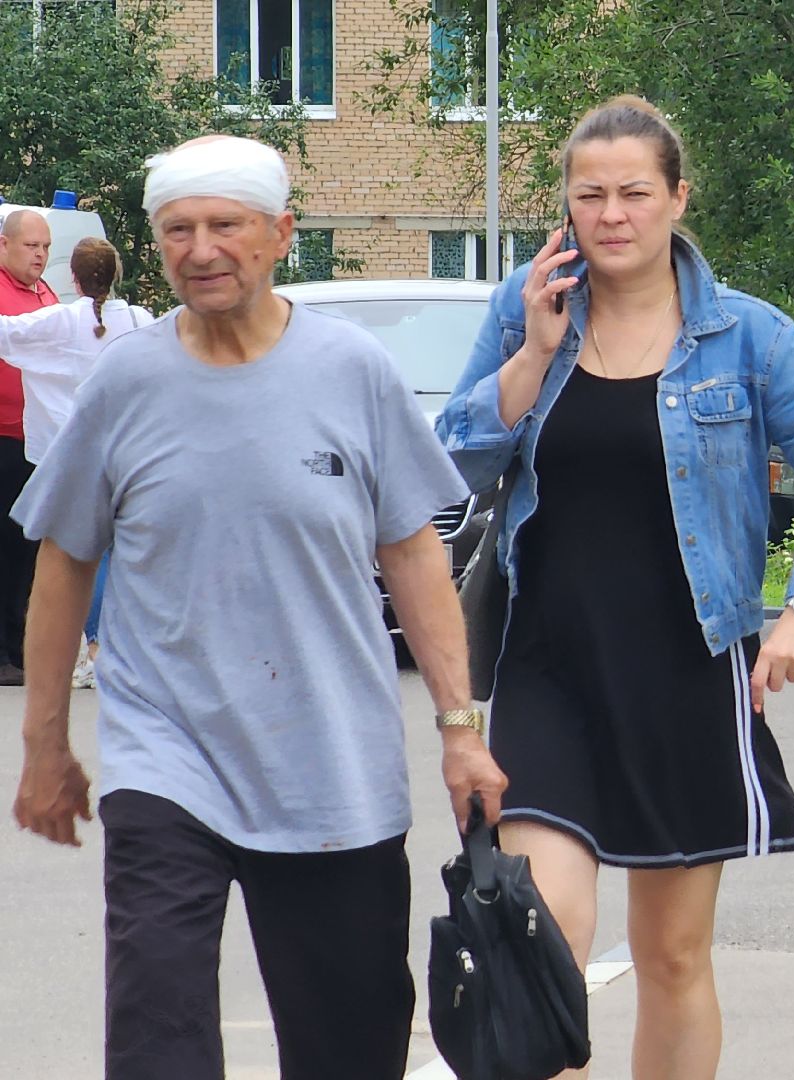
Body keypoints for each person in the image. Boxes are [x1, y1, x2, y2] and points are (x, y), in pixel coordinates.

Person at [8, 134, 507, 1080]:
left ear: (280, 234)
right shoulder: (125, 383)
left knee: (349, 1044)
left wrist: (459, 726)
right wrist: (44, 743)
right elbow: (64, 562)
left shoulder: (352, 372)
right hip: (167, 757)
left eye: (225, 226)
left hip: (331, 764)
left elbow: (413, 555)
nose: (201, 249)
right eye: (178, 231)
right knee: (156, 1035)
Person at [436, 97, 794, 1078]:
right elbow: (446, 471)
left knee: (670, 956)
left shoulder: (746, 336)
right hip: (546, 665)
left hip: (687, 666)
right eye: (588, 194)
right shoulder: (527, 306)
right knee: (536, 934)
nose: (611, 214)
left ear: (678, 197)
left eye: (635, 192)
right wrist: (532, 355)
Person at [0, 237, 154, 688]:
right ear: (117, 272)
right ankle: (116, 645)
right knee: (119, 550)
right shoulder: (139, 320)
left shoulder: (59, 319)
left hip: (66, 455)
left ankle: (91, 648)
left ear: (73, 278)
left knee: (76, 552)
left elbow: (7, 334)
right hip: (125, 450)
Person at [0, 208, 58, 687]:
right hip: (2, 436)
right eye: (30, 246)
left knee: (28, 547)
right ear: (4, 245)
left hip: (35, 440)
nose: (39, 254)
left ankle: (20, 648)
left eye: (45, 247)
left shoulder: (47, 294)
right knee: (4, 544)